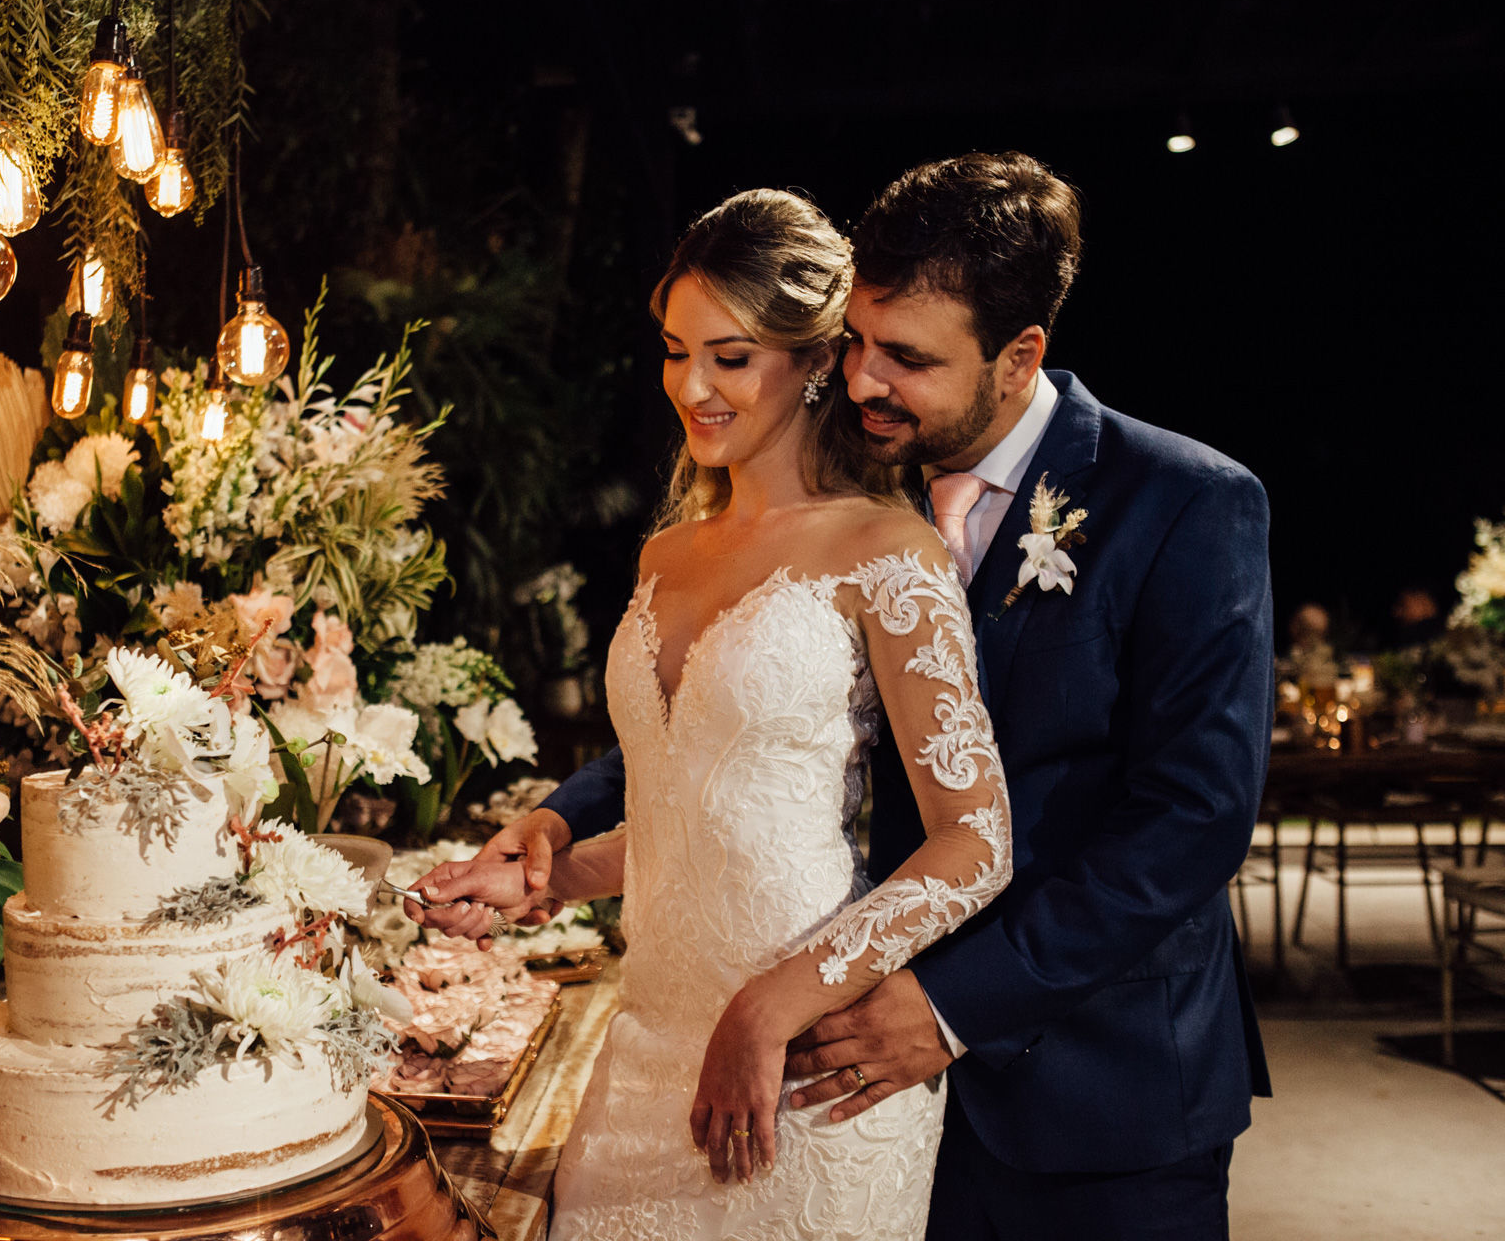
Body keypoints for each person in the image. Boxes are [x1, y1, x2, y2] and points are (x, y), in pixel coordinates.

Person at [416, 153, 1274, 1240]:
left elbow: (1192, 823)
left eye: (905, 357)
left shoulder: (1185, 503)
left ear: (1019, 358)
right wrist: (556, 828)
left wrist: (949, 1006)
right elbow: (736, 743)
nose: (864, 378)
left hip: (1098, 1087)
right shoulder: (867, 468)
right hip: (844, 1051)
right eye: (856, 342)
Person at [410, 186, 1013, 1239]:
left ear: (817, 357)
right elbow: (693, 820)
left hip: (812, 1068)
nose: (692, 385)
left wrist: (772, 1003)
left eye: (730, 357)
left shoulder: (886, 551)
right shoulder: (664, 555)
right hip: (645, 1056)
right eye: (675, 349)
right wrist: (543, 876)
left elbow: (976, 840)